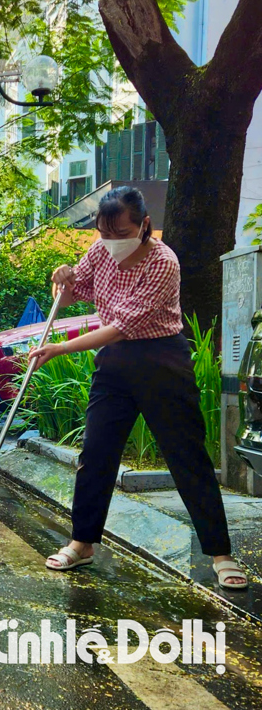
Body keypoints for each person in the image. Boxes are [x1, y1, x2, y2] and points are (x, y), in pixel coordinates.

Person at [30, 186, 247, 589]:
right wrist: (59, 277)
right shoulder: (99, 250)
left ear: (145, 225)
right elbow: (72, 294)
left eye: (121, 233)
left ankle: (221, 553)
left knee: (187, 456)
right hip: (115, 365)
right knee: (95, 452)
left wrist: (60, 348)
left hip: (161, 359)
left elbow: (119, 326)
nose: (111, 243)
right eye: (104, 233)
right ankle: (83, 542)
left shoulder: (164, 262)